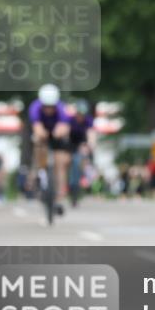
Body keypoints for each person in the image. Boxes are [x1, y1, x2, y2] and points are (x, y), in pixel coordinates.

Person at [28, 83, 72, 216]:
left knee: (60, 162)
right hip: (42, 133)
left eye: (51, 106)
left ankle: (59, 195)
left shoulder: (61, 108)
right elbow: (37, 126)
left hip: (56, 134)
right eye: (46, 106)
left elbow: (65, 126)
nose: (48, 109)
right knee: (38, 141)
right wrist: (42, 134)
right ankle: (38, 172)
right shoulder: (35, 107)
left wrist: (59, 131)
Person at [67, 99, 96, 205]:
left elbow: (91, 134)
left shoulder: (88, 120)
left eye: (82, 114)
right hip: (68, 144)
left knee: (78, 162)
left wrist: (90, 146)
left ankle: (76, 187)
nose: (80, 116)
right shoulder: (70, 120)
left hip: (80, 145)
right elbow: (65, 133)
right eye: (79, 114)